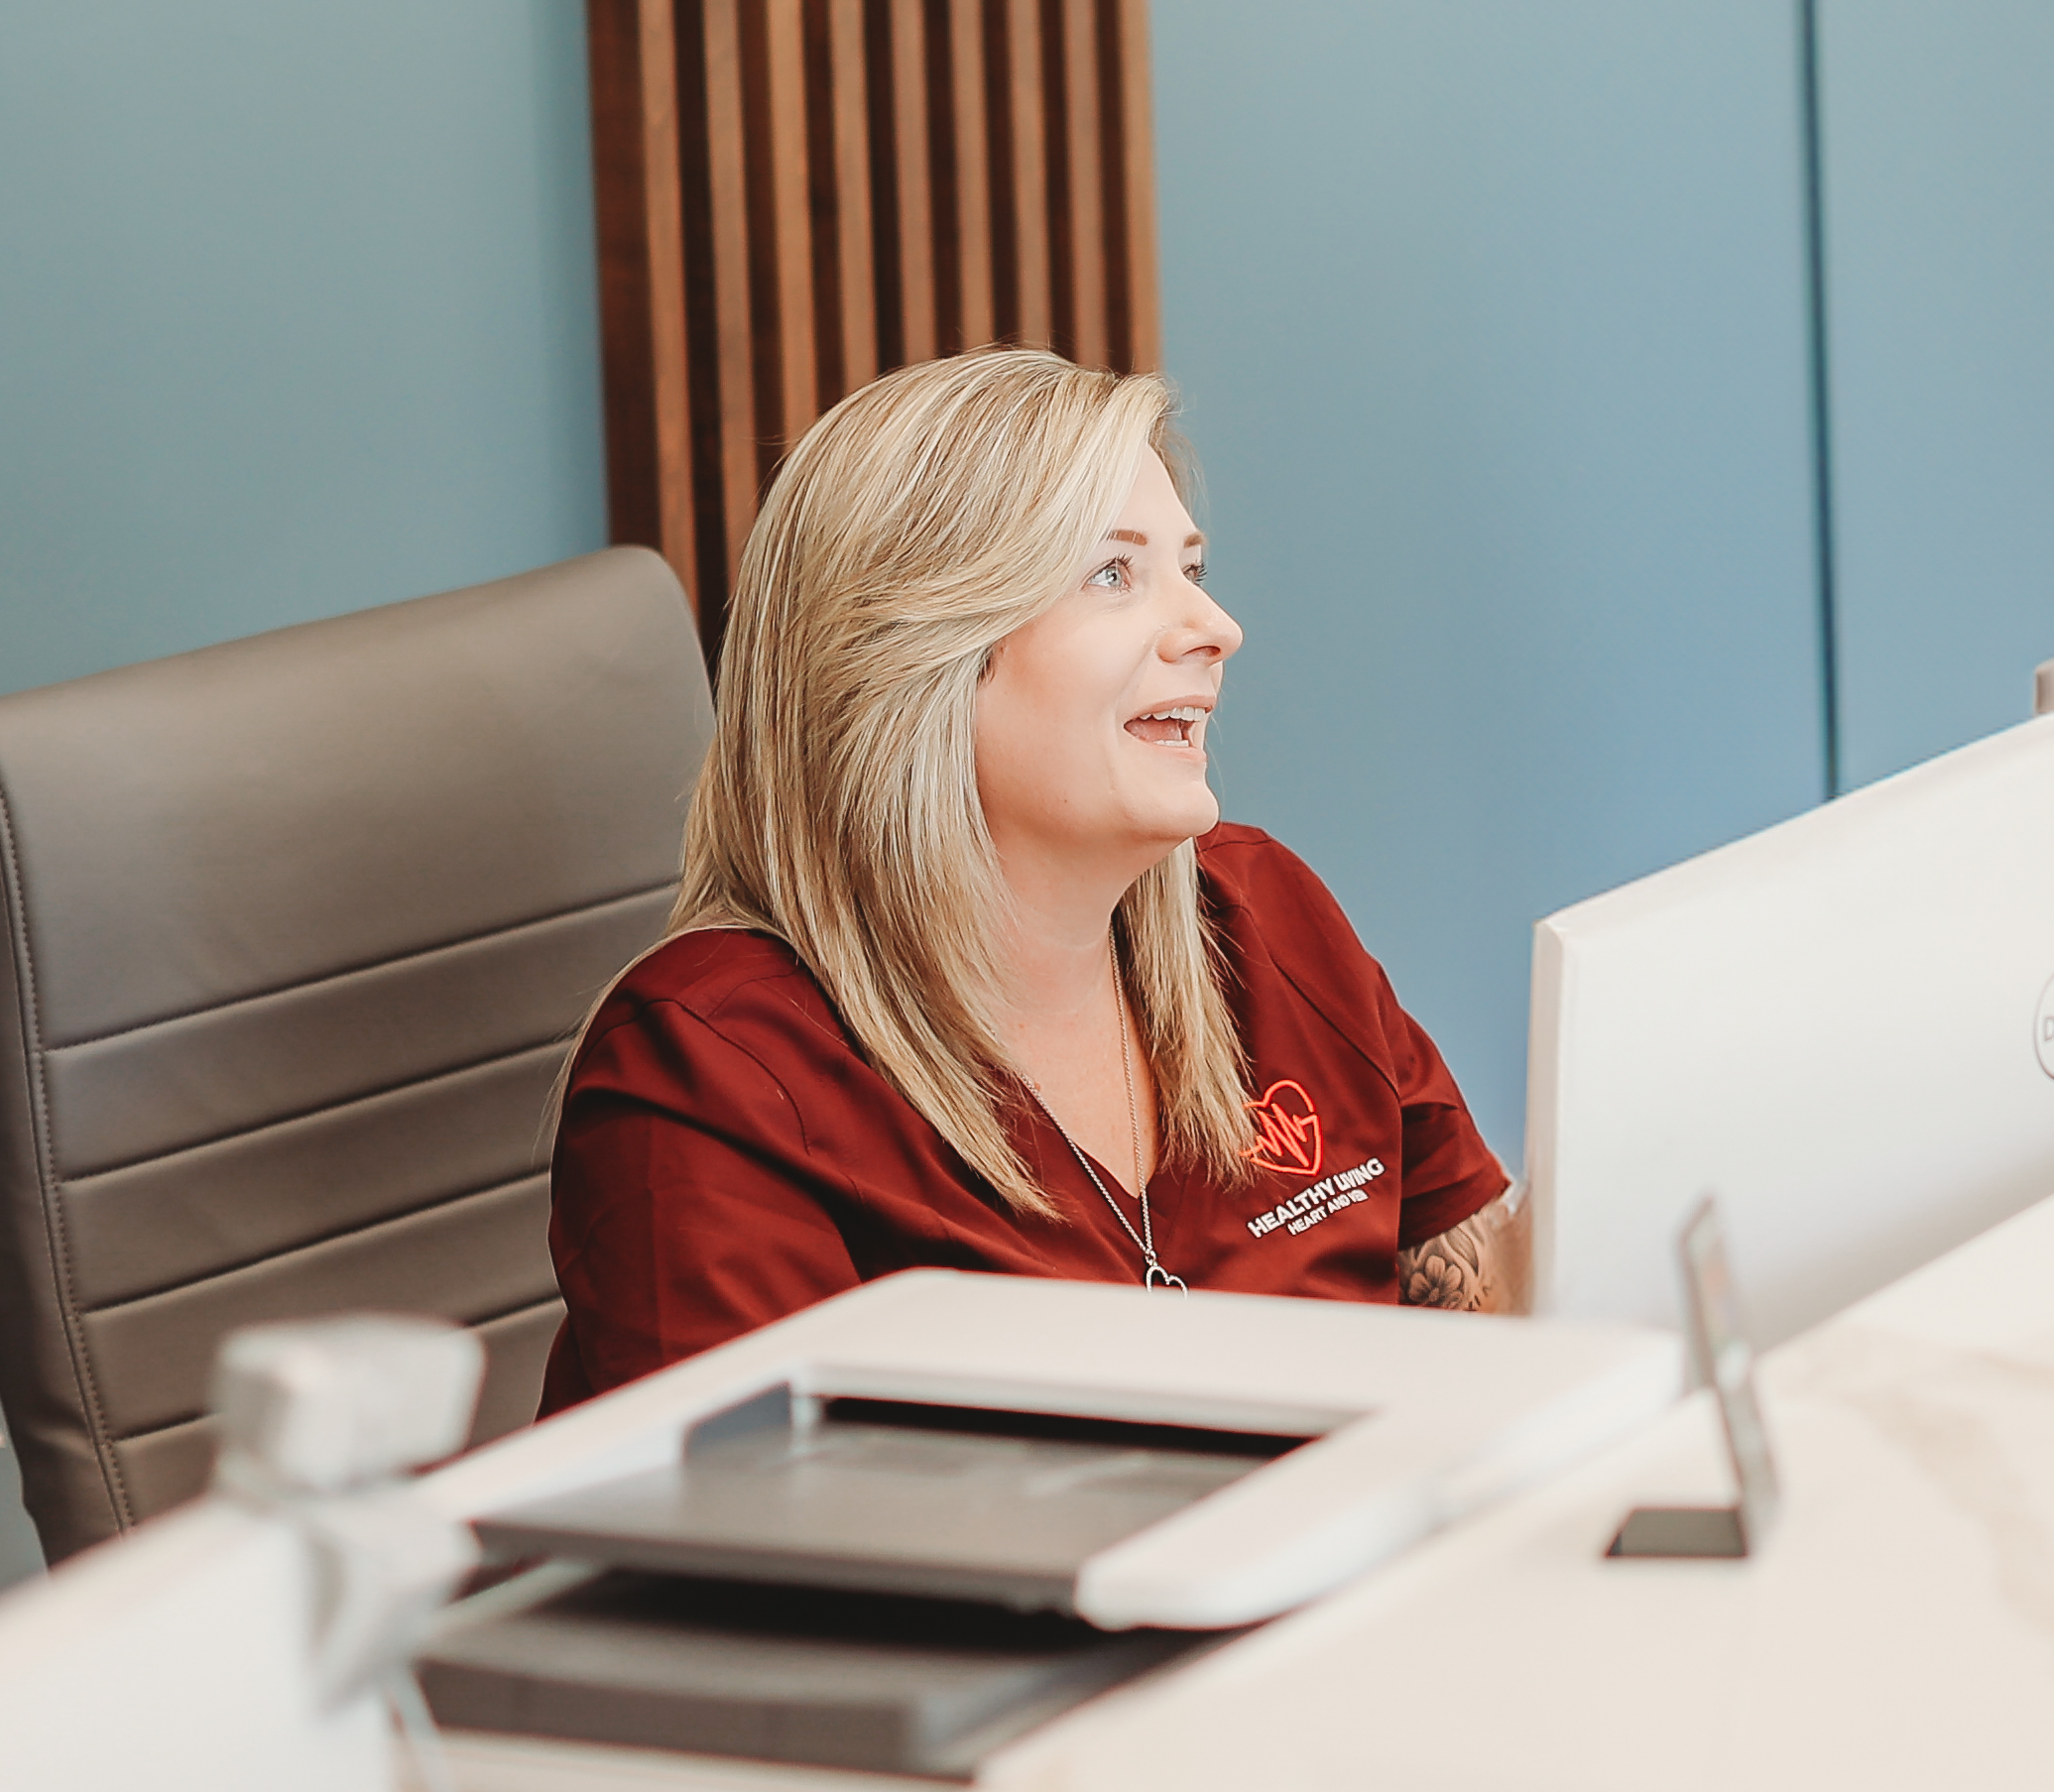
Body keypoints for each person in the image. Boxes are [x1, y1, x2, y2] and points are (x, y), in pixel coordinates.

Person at [541, 348, 1519, 1409]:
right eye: (1113, 575)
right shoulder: (710, 1075)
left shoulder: (1269, 919)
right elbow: (759, 1509)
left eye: (1191, 571)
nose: (1217, 629)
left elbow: (1500, 1335)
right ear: (911, 659)